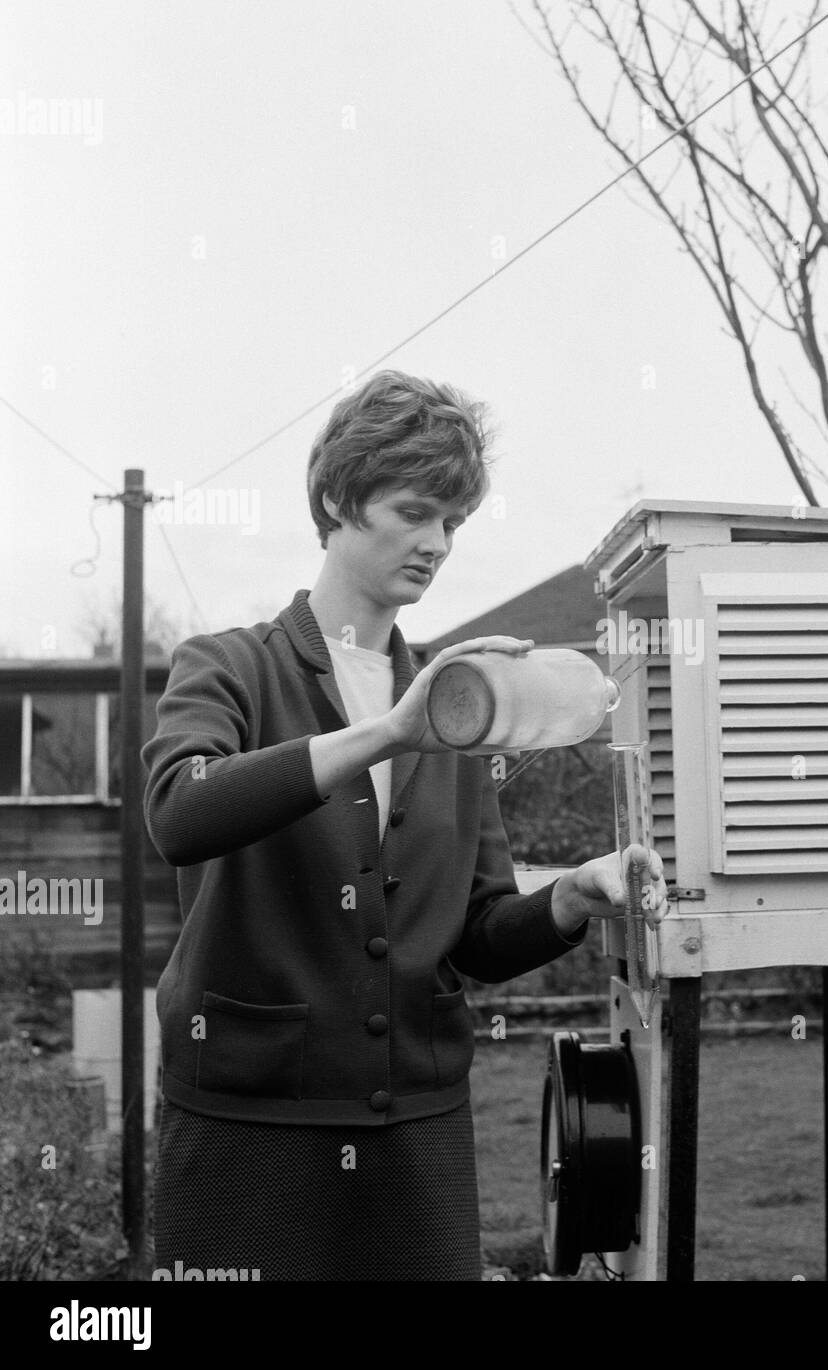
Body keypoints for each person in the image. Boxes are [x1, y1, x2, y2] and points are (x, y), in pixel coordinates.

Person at [143, 370, 666, 1281]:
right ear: (341, 499)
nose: (436, 544)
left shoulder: (460, 706)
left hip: (417, 1138)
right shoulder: (227, 667)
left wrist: (576, 895)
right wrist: (387, 730)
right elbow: (182, 813)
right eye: (416, 511)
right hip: (247, 1130)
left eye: (454, 523)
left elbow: (477, 932)